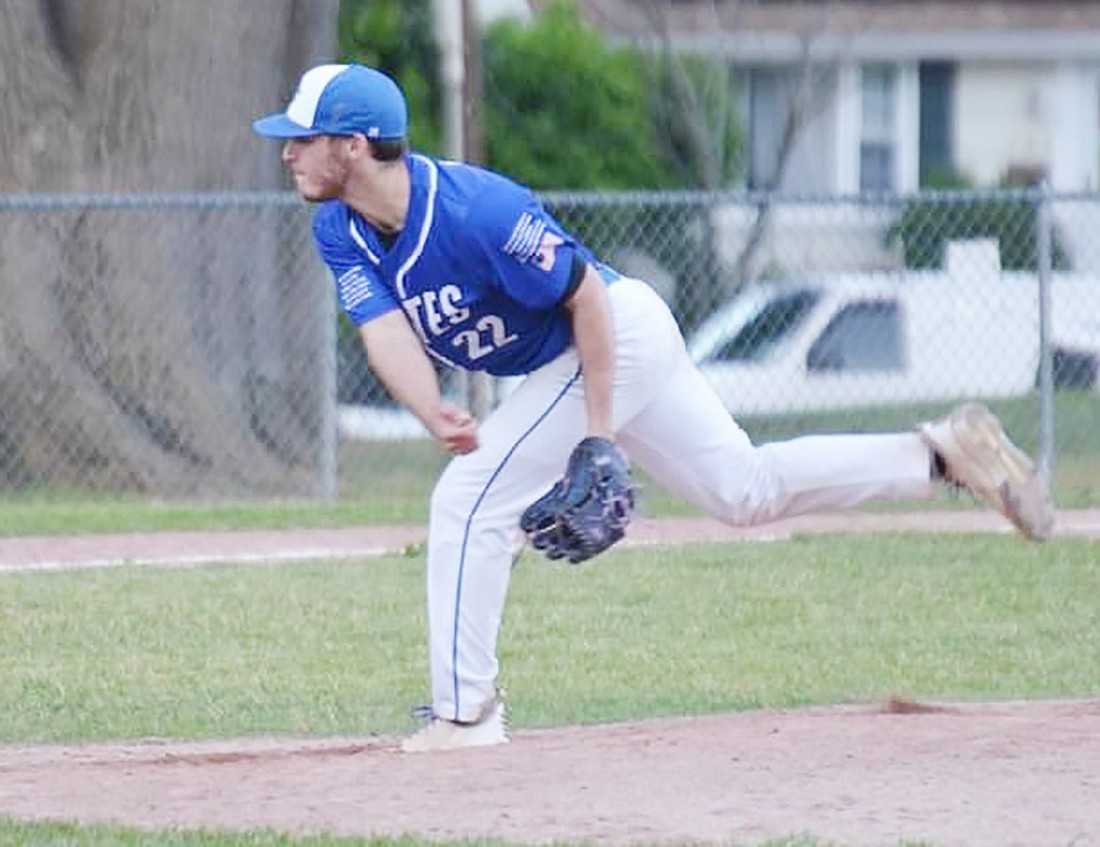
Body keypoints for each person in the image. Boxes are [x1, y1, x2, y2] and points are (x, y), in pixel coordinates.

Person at [253, 64, 1054, 753]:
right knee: (746, 490)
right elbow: (384, 329)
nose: (288, 150)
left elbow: (588, 300)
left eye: (303, 136)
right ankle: (941, 453)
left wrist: (599, 436)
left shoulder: (477, 211)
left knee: (467, 503)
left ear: (353, 145)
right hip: (585, 360)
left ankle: (466, 715)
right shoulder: (342, 228)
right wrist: (432, 411)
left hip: (611, 338)